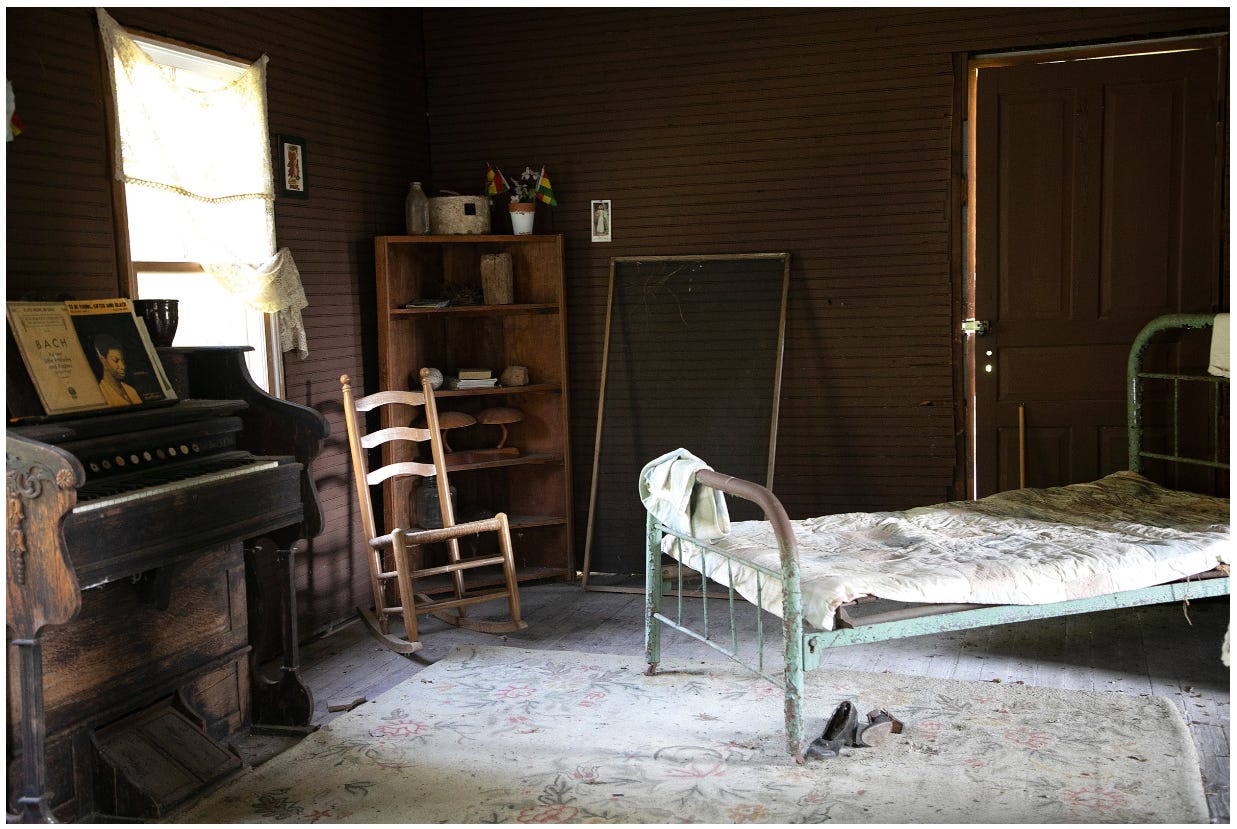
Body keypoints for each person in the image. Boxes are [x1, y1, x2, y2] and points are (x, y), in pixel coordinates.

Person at [94, 333, 143, 406]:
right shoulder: (101, 393)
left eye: (122, 361)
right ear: (103, 361)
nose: (123, 366)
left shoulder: (131, 390)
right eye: (115, 360)